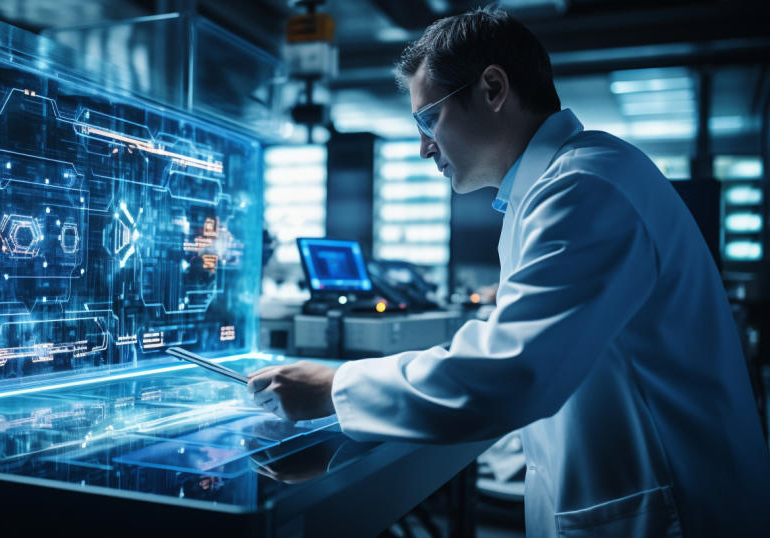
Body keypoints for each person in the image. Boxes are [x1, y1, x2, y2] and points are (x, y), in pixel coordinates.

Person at [247, 7, 770, 537]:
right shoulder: (552, 188)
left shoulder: (585, 186)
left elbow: (512, 373)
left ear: (492, 89)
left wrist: (335, 385)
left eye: (428, 120)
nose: (424, 146)